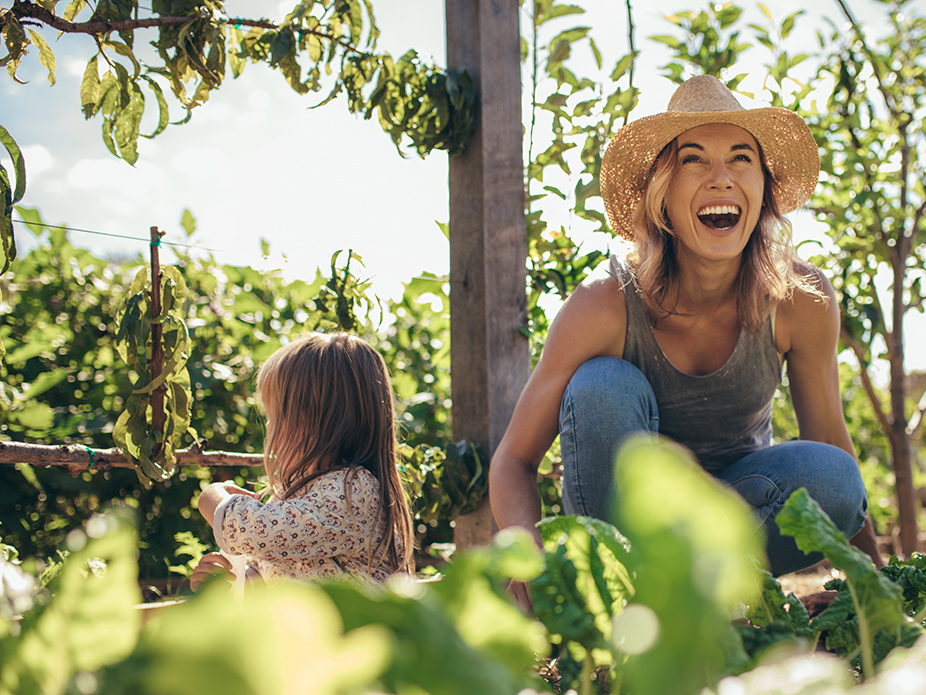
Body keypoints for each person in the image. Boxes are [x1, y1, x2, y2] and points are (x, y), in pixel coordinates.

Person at [490, 75, 884, 590]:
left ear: (763, 189)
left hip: (737, 516)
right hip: (625, 532)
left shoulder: (799, 298)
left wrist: (879, 583)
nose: (721, 178)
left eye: (741, 158)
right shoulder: (603, 305)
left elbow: (830, 440)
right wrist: (528, 564)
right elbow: (514, 460)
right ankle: (623, 597)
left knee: (835, 476)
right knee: (603, 385)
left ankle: (699, 597)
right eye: (694, 159)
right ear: (662, 194)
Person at [189, 332, 415, 591]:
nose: (269, 426)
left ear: (314, 421)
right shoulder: (298, 492)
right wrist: (234, 579)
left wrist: (212, 497)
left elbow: (250, 531)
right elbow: (279, 569)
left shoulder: (352, 491)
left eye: (274, 414)